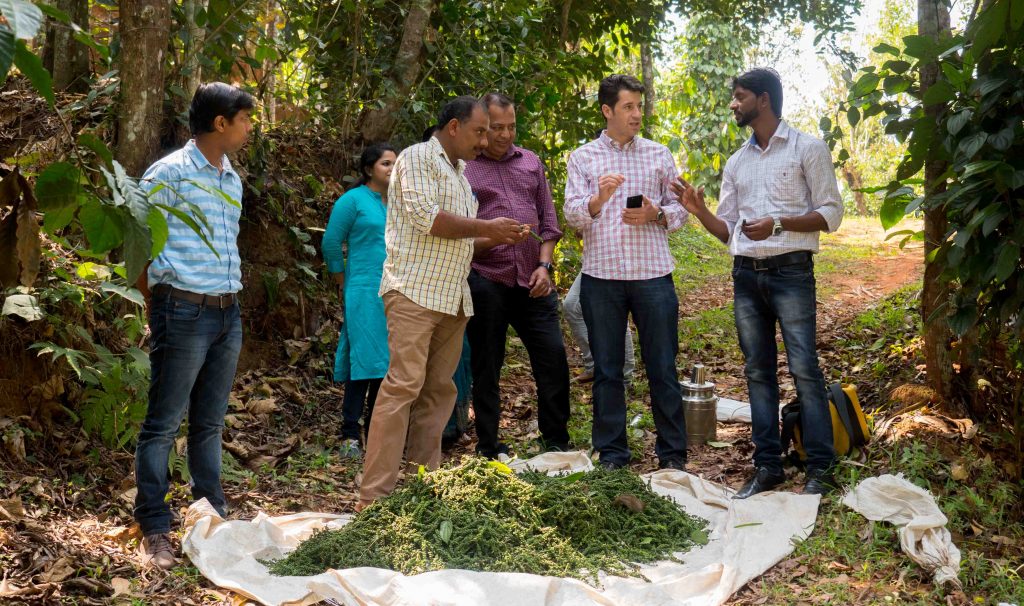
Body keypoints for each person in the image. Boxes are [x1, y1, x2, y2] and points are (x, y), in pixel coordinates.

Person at [672, 68, 844, 497]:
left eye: (739, 96)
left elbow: (832, 213)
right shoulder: (736, 162)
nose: (733, 104)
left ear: (763, 100)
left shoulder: (808, 147)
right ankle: (768, 466)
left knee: (804, 368)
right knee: (758, 373)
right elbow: (728, 230)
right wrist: (699, 212)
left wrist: (779, 224)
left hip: (791, 273)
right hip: (746, 277)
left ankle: (820, 467)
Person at [357, 97, 527, 509]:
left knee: (438, 392)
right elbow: (427, 218)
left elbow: (462, 241)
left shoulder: (461, 173)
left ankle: (422, 491)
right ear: (454, 127)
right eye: (480, 131)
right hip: (414, 292)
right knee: (402, 387)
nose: (486, 141)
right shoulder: (416, 159)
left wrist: (500, 237)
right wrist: (488, 224)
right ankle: (374, 497)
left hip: (453, 297)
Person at [132, 82, 254, 569]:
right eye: (244, 120)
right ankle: (154, 525)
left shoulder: (231, 179)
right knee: (163, 424)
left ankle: (210, 514)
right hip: (181, 309)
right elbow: (139, 242)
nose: (249, 129)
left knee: (208, 423)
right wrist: (157, 304)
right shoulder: (169, 174)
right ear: (219, 123)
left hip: (228, 312)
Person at [563, 74, 689, 472]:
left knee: (663, 366)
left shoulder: (659, 154)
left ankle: (672, 455)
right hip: (601, 278)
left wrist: (657, 213)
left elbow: (682, 208)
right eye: (628, 107)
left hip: (653, 275)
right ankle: (613, 454)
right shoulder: (583, 157)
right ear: (607, 111)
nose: (637, 114)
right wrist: (599, 199)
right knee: (607, 370)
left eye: (639, 106)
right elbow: (572, 215)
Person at [463, 93, 571, 458]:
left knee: (553, 358)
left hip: (533, 280)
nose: (505, 135)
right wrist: (492, 236)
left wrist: (545, 265)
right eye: (497, 128)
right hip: (486, 277)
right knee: (487, 363)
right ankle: (490, 446)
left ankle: (555, 441)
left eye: (511, 127)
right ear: (482, 125)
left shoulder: (531, 162)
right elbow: (457, 237)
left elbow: (550, 223)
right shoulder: (465, 168)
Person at [322, 143, 397, 459]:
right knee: (363, 361)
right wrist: (343, 280)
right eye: (385, 164)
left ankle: (378, 434)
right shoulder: (352, 200)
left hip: (394, 290)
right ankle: (350, 434)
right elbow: (329, 243)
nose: (392, 169)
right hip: (363, 290)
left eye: (395, 163)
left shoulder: (399, 202)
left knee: (386, 362)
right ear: (369, 169)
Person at [563, 269, 636, 383]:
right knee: (572, 306)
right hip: (595, 259)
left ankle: (624, 375)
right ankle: (594, 365)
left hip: (621, 259)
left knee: (617, 311)